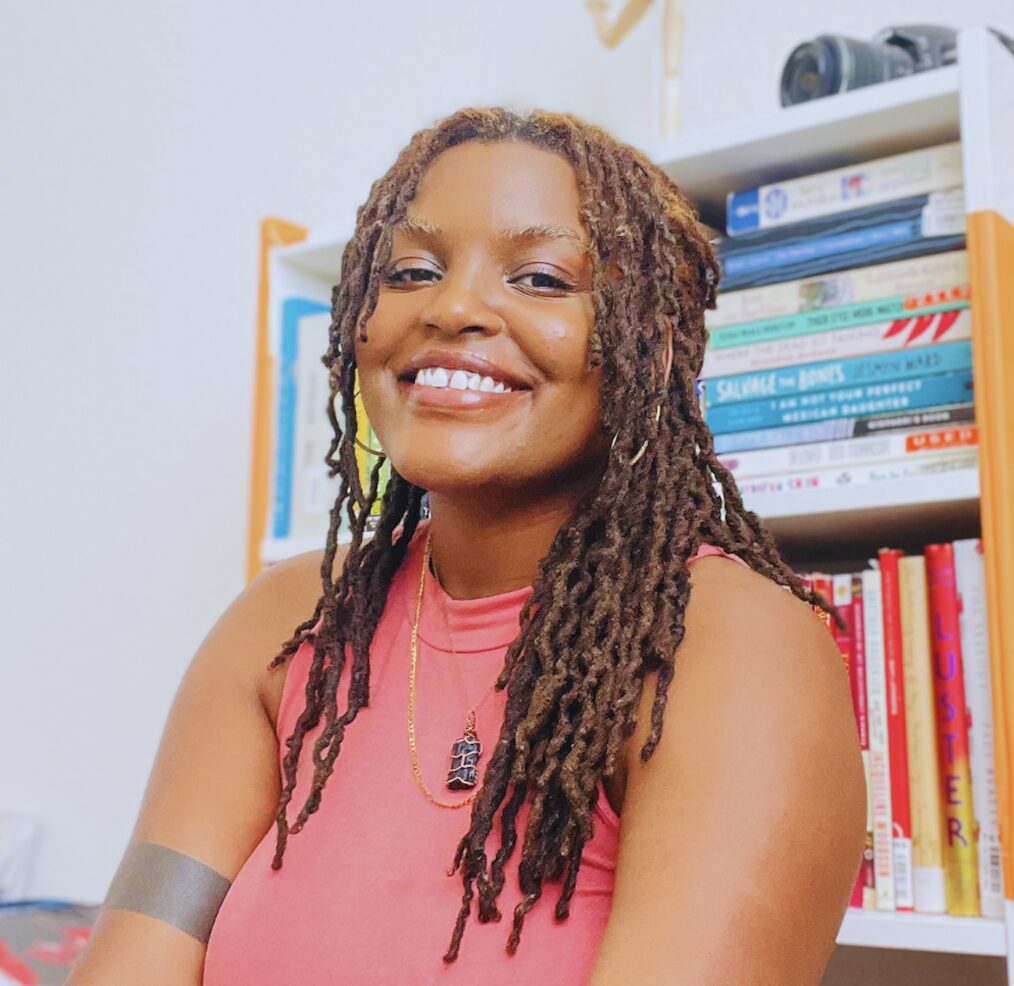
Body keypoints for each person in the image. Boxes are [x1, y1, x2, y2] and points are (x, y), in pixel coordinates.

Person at [69, 107, 866, 985]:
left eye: (541, 278)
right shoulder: (283, 624)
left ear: (651, 346)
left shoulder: (730, 643)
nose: (450, 308)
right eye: (411, 271)